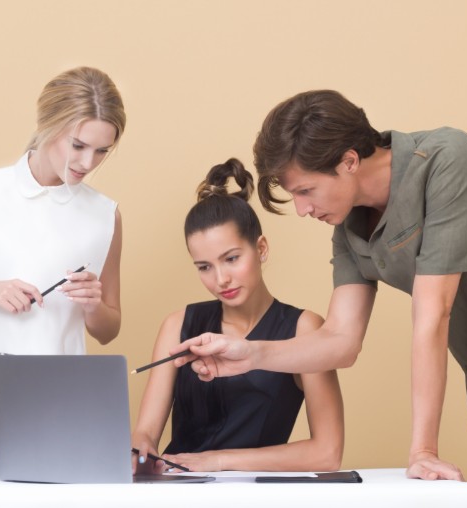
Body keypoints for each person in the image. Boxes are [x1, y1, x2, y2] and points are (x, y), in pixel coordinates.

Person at [173, 90, 467, 506]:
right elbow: (341, 341)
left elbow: (434, 312)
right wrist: (247, 353)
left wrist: (422, 450)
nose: (303, 209)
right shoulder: (348, 224)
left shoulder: (451, 162)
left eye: (305, 190)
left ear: (349, 160)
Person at [0, 67, 126, 466]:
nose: (88, 162)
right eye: (79, 145)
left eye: (102, 151)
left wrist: (92, 304)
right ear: (48, 125)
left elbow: (108, 330)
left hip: (64, 384)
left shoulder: (106, 216)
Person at [132, 158, 344, 474]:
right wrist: (139, 450)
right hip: (176, 490)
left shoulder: (304, 329)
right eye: (204, 267)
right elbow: (145, 433)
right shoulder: (178, 326)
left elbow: (327, 453)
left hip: (252, 495)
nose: (221, 279)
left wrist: (217, 461)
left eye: (231, 259)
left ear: (261, 249)